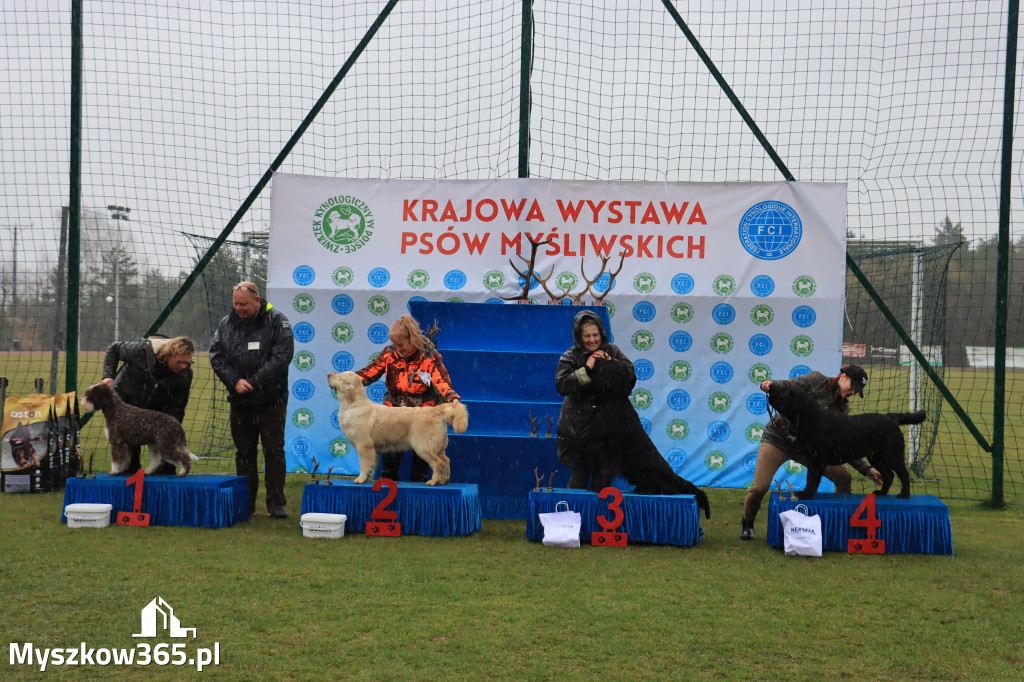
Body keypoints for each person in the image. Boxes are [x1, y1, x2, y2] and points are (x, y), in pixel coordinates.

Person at [740, 364, 882, 540]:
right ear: (842, 377)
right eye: (852, 387)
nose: (853, 392)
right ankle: (747, 523)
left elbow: (844, 444)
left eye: (857, 391)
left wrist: (867, 468)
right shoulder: (816, 380)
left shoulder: (843, 410)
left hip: (809, 449)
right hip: (778, 440)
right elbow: (788, 385)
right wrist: (771, 384)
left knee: (844, 478)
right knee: (759, 487)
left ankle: (841, 520)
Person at [209, 281, 294, 518]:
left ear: (257, 300)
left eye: (244, 304)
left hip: (271, 399)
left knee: (274, 451)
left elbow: (282, 357)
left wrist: (254, 381)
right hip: (240, 400)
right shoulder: (226, 324)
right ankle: (246, 503)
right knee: (244, 453)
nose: (239, 308)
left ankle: (276, 503)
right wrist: (234, 381)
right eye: (236, 303)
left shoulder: (278, 320)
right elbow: (216, 356)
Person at [354, 314, 461, 483]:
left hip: (423, 413)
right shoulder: (389, 354)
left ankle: (421, 492)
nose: (397, 348)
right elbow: (370, 372)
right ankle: (387, 486)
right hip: (394, 411)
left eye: (401, 344)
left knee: (423, 457)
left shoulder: (429, 355)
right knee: (390, 459)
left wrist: (452, 398)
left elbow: (441, 381)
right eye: (394, 344)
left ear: (413, 339)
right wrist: (346, 380)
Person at [555, 310, 634, 489]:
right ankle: (573, 513)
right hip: (579, 423)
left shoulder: (612, 350)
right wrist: (587, 368)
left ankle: (599, 514)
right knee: (581, 469)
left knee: (604, 471)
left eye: (595, 335)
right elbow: (562, 385)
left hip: (608, 422)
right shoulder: (569, 357)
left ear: (602, 334)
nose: (592, 340)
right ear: (578, 336)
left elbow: (630, 377)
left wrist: (611, 363)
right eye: (587, 336)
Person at [102, 335, 195, 475]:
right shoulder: (142, 352)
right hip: (126, 406)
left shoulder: (185, 375)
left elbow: (178, 406)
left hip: (155, 414)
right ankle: (126, 484)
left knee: (166, 464)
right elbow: (114, 349)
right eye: (180, 362)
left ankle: (163, 490)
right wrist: (108, 376)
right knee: (128, 460)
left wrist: (171, 431)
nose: (183, 367)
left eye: (187, 363)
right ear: (169, 355)